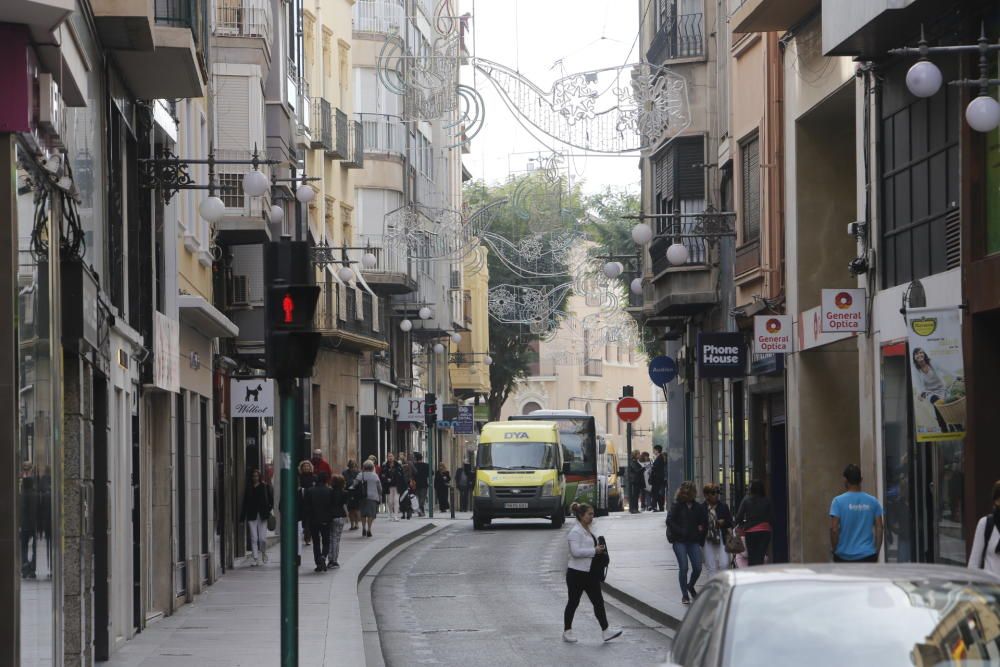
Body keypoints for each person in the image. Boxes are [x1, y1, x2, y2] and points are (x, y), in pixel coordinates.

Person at [563, 502, 622, 644]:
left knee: (598, 602)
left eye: (592, 514)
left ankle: (605, 631)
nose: (592, 517)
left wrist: (598, 548)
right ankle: (567, 631)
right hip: (576, 574)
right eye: (589, 514)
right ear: (581, 515)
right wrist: (594, 550)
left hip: (590, 574)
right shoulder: (575, 532)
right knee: (573, 602)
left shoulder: (588, 530)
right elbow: (575, 552)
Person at [830, 464, 885, 563]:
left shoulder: (837, 501)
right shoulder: (873, 501)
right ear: (861, 479)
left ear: (845, 481)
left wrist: (835, 549)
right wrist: (876, 551)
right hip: (868, 555)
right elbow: (879, 528)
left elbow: (834, 529)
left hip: (843, 556)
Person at [666, 481, 708, 604]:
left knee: (698, 567)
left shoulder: (698, 507)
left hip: (693, 541)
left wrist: (700, 533)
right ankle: (685, 594)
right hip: (680, 541)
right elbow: (669, 521)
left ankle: (690, 585)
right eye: (685, 491)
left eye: (690, 491)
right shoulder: (677, 505)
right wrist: (681, 531)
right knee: (683, 567)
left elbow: (703, 522)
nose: (687, 494)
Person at [911, 348, 955, 433]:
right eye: (916, 354)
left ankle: (952, 425)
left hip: (941, 389)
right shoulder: (915, 369)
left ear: (924, 354)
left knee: (946, 407)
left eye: (921, 353)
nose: (919, 355)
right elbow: (917, 383)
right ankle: (944, 428)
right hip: (928, 392)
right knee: (937, 402)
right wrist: (920, 393)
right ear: (914, 357)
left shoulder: (932, 363)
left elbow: (944, 370)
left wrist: (956, 376)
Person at [735, 479, 773, 566]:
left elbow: (738, 517)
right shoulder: (767, 500)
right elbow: (772, 517)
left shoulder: (746, 500)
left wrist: (742, 525)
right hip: (765, 531)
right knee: (761, 555)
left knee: (752, 556)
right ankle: (760, 573)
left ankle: (753, 575)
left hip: (751, 532)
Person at [303, 472, 335, 572]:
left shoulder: (310, 491)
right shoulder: (330, 491)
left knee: (316, 542)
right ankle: (323, 556)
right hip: (326, 520)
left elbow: (307, 507)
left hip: (313, 520)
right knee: (326, 541)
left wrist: (307, 520)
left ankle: (318, 563)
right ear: (326, 480)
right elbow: (332, 506)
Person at [241, 469, 273, 566]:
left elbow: (271, 500)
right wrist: (242, 518)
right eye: (253, 476)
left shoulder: (264, 486)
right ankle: (255, 558)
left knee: (262, 539)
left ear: (260, 477)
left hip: (262, 515)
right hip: (251, 515)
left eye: (257, 476)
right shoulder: (249, 487)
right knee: (254, 538)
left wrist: (268, 510)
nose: (255, 477)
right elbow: (245, 503)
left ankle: (263, 552)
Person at [968, 479, 1000, 576]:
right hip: (991, 588)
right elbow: (974, 562)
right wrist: (970, 587)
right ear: (997, 501)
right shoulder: (986, 524)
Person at [701, 483, 733, 576]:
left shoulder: (723, 506)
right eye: (714, 493)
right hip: (707, 538)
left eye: (718, 492)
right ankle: (714, 588)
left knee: (724, 564)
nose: (717, 495)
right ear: (706, 495)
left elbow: (730, 522)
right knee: (711, 566)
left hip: (721, 537)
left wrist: (723, 523)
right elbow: (697, 523)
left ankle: (724, 585)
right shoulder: (701, 508)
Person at [357, 460, 383, 537]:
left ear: (364, 467)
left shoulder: (360, 475)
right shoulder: (375, 476)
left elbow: (355, 484)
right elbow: (379, 488)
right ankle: (369, 529)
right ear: (372, 467)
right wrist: (380, 494)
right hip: (372, 497)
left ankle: (363, 527)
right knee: (370, 514)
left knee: (363, 514)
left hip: (362, 497)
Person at [328, 474, 348, 568]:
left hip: (332, 516)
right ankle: (334, 559)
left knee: (332, 538)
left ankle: (331, 559)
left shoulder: (329, 492)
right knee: (337, 539)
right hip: (341, 516)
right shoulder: (344, 493)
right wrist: (347, 515)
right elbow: (344, 505)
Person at [380, 453, 405, 521]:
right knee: (390, 501)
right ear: (387, 457)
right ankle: (390, 514)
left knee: (396, 500)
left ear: (394, 457)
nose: (390, 457)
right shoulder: (385, 466)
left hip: (397, 485)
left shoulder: (398, 465)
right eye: (389, 456)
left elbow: (402, 475)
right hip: (389, 486)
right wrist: (386, 479)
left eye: (391, 456)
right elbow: (381, 475)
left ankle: (396, 515)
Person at [297, 460, 316, 551]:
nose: (306, 468)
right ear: (301, 468)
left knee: (309, 520)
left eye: (308, 466)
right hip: (301, 501)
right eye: (304, 466)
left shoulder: (314, 477)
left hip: (311, 502)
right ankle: (305, 534)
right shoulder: (298, 477)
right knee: (303, 520)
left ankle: (308, 537)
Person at [343, 460, 361, 531]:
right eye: (351, 467)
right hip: (349, 493)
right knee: (350, 510)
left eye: (354, 467)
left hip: (356, 493)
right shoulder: (345, 473)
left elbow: (360, 483)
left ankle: (356, 523)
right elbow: (344, 482)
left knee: (356, 509)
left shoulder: (358, 473)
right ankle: (352, 524)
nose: (353, 468)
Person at [650, 446, 667, 512]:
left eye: (654, 450)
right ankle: (657, 506)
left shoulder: (660, 458)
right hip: (657, 478)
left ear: (657, 450)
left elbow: (657, 467)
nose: (653, 451)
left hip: (658, 479)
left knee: (656, 493)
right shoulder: (659, 457)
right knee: (657, 493)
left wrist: (652, 467)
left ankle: (656, 506)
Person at [413, 452, 430, 516]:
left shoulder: (414, 465)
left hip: (415, 484)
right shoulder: (426, 465)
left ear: (415, 459)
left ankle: (420, 510)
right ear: (421, 458)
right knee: (422, 498)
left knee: (417, 498)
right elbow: (432, 473)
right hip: (424, 484)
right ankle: (421, 509)